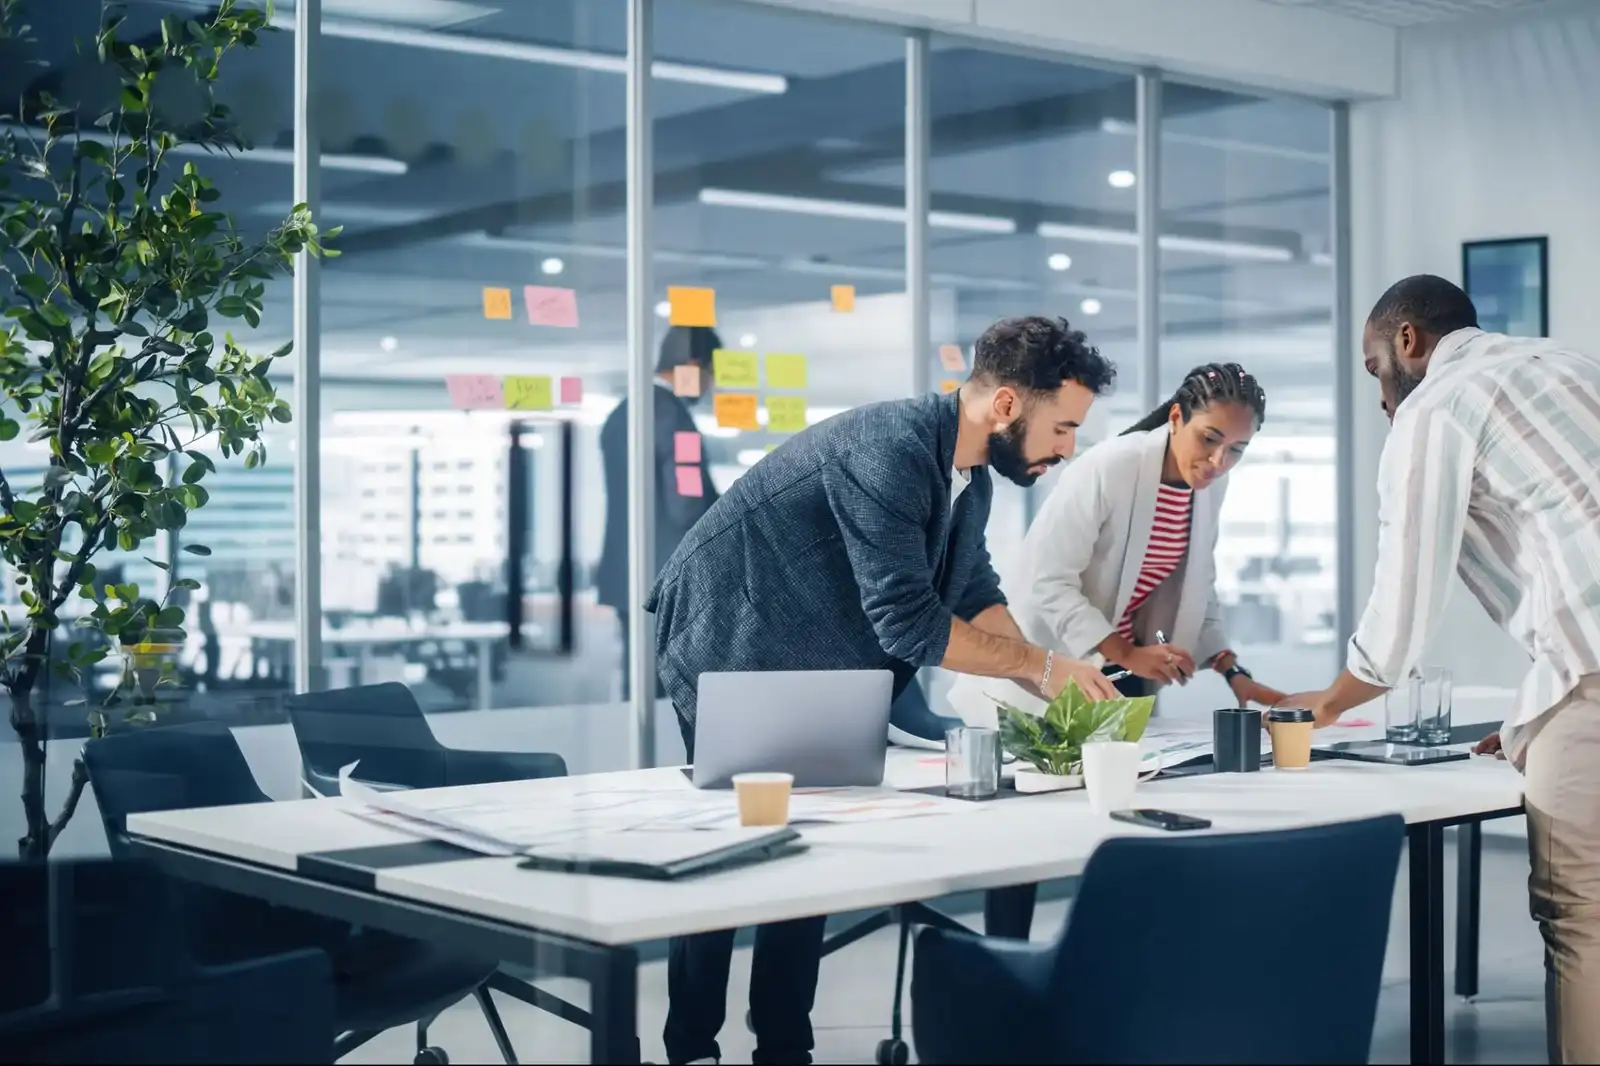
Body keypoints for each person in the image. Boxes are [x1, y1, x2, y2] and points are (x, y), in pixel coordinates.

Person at [646, 315, 1122, 1066]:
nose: (1068, 450)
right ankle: (691, 1046)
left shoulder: (967, 481)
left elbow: (970, 588)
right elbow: (909, 623)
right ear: (1005, 407)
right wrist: (1039, 668)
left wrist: (1049, 672)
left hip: (814, 654)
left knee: (810, 843)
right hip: (729, 638)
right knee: (731, 849)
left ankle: (782, 1045)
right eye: (1061, 428)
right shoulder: (892, 448)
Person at [1279, 274, 1600, 1065]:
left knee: (1583, 913)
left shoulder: (1435, 409)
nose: (1378, 392)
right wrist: (1539, 713)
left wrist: (1329, 702)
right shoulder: (1569, 364)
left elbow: (1403, 600)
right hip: (1579, 676)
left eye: (1372, 367)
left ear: (1408, 342)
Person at [951, 361, 1289, 939]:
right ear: (1177, 416)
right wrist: (1124, 651)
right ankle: (1004, 961)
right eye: (1210, 440)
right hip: (1046, 668)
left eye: (1236, 450)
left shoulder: (1209, 485)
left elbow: (1197, 581)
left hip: (1119, 676)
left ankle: (1110, 959)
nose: (1217, 462)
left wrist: (1234, 672)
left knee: (1118, 819)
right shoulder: (1113, 464)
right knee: (1028, 834)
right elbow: (1047, 579)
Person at [595, 326, 719, 699]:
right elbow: (687, 502)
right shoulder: (674, 418)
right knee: (673, 690)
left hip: (628, 576)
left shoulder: (622, 412)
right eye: (711, 375)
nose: (710, 387)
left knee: (641, 684)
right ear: (694, 366)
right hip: (671, 581)